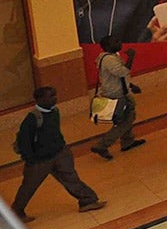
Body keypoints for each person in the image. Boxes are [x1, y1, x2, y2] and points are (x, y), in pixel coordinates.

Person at [12, 86, 104, 219]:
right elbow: (24, 140)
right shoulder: (32, 118)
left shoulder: (55, 111)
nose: (54, 98)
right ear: (39, 99)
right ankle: (16, 212)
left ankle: (88, 200)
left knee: (71, 178)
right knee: (29, 186)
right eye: (50, 96)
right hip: (40, 160)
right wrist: (30, 159)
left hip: (59, 153)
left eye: (54, 95)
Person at [90, 35, 146, 160]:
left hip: (119, 91)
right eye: (116, 41)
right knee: (126, 120)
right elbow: (122, 72)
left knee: (127, 116)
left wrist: (130, 86)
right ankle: (102, 145)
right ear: (108, 46)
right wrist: (131, 57)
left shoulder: (111, 57)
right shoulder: (109, 60)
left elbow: (118, 78)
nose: (119, 42)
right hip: (116, 94)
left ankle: (128, 141)